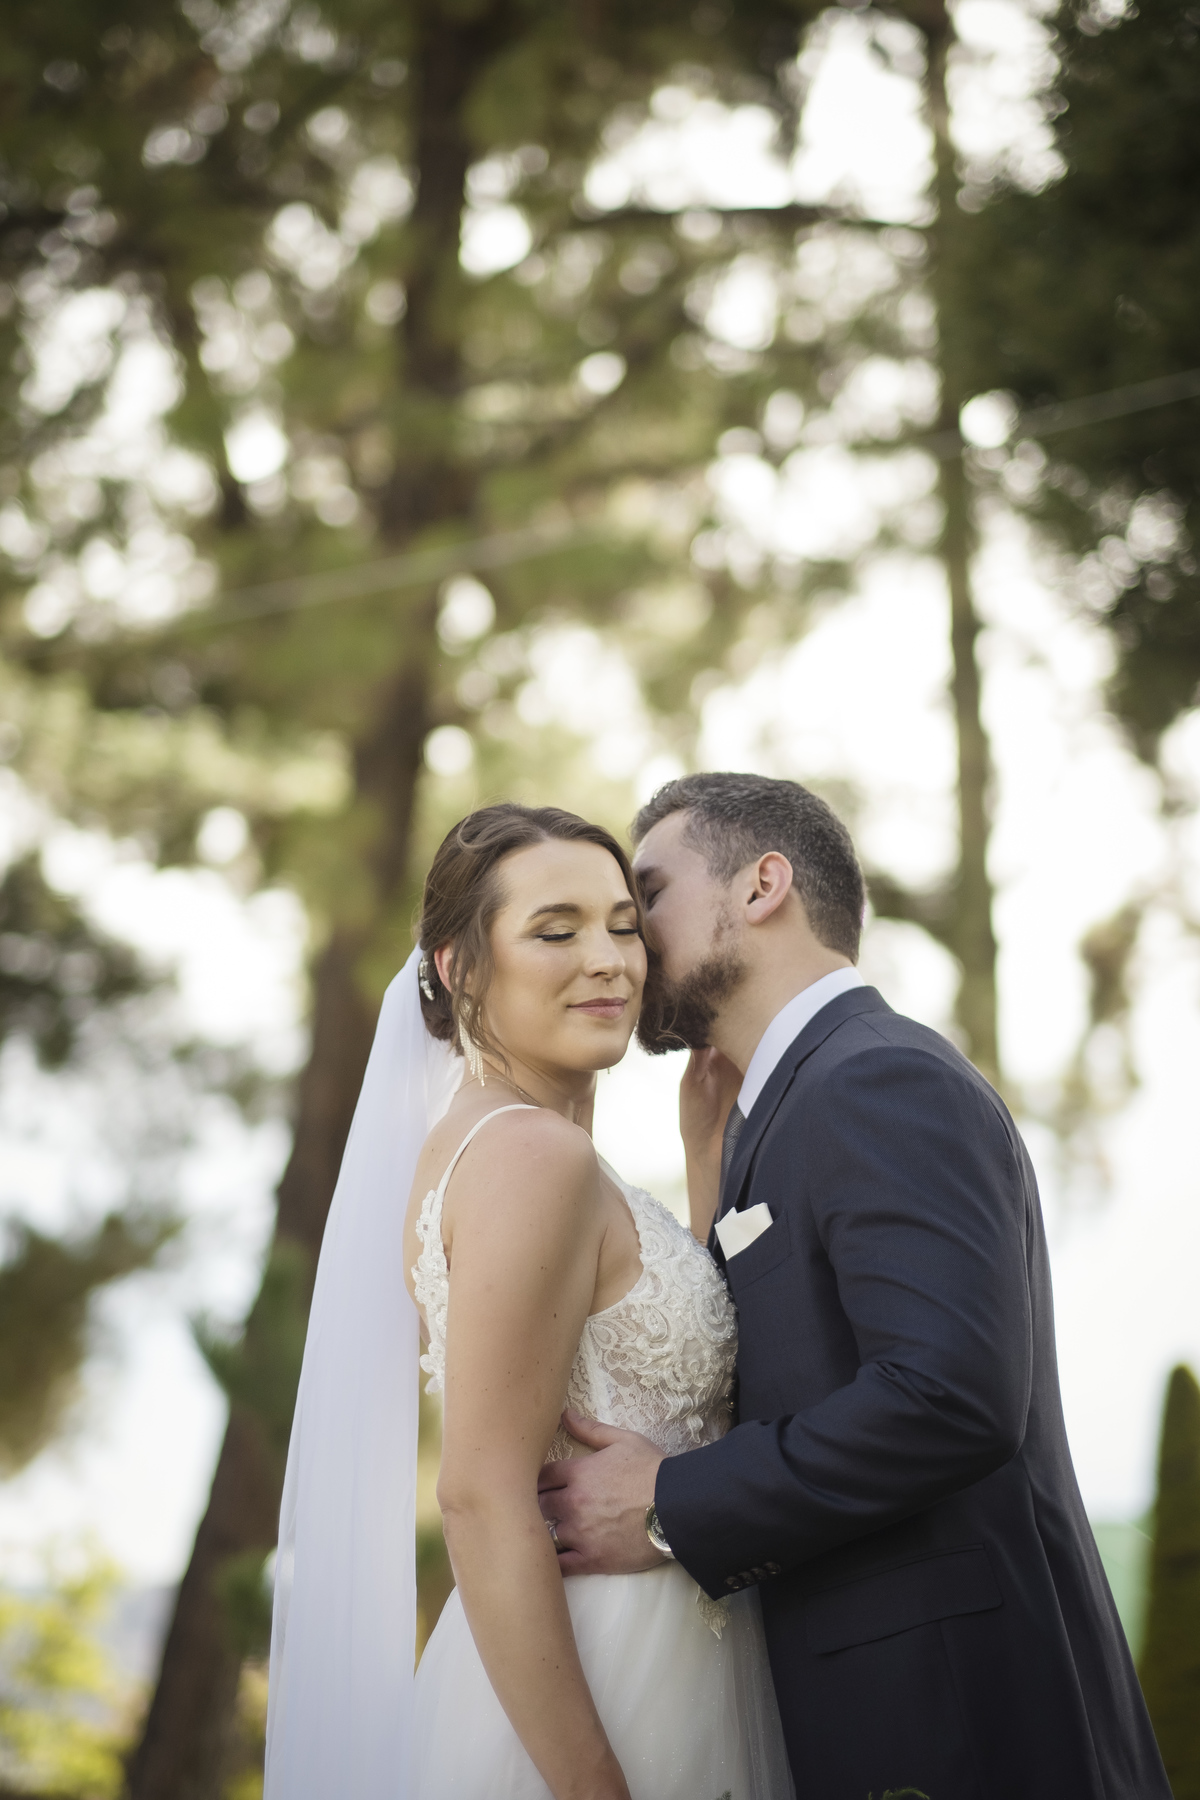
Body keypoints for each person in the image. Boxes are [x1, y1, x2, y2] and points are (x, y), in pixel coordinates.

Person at [538, 771, 1172, 1800]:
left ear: (762, 886)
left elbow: (949, 1396)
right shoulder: (787, 1107)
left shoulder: (878, 1076)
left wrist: (669, 1505)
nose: (625, 938)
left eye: (646, 895)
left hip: (960, 1727)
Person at [264, 802, 792, 1800]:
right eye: (556, 931)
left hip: (636, 1655)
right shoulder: (529, 1155)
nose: (609, 961)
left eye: (624, 926)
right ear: (460, 968)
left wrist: (702, 1163)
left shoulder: (500, 1146)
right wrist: (596, 1787)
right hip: (604, 1688)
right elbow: (477, 1492)